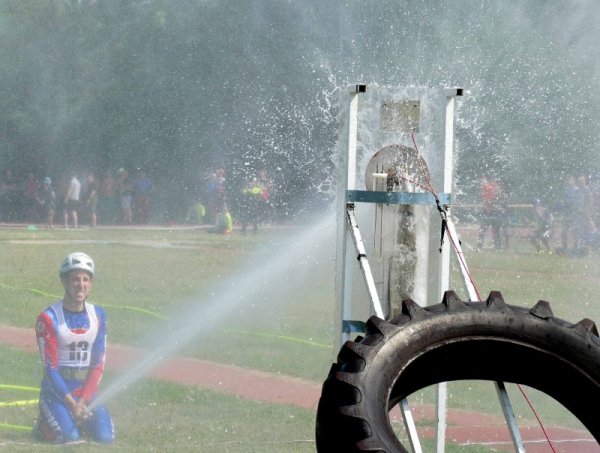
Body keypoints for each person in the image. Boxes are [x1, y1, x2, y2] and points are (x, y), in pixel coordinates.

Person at [34, 252, 114, 444]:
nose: (81, 284)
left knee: (104, 438)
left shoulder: (99, 315)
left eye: (86, 279)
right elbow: (50, 369)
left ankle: (76, 421)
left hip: (85, 393)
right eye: (75, 279)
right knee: (70, 439)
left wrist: (83, 402)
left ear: (91, 284)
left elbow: (97, 365)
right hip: (57, 394)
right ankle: (42, 426)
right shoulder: (49, 318)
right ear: (64, 281)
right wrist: (71, 404)